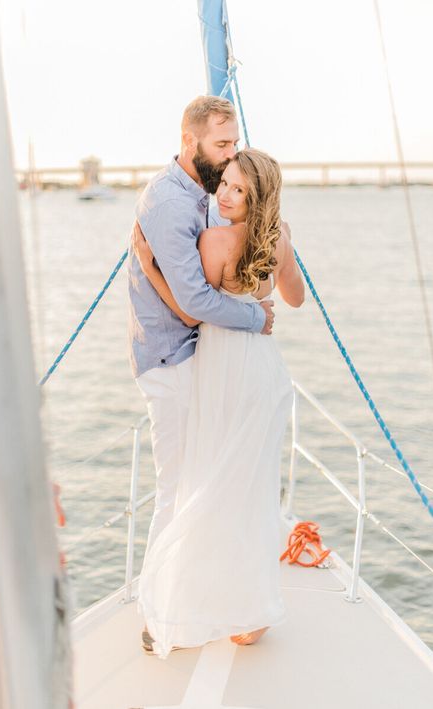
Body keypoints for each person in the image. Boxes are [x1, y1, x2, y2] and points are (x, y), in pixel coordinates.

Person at [132, 148, 305, 658]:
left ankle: (196, 596)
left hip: (222, 372)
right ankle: (252, 612)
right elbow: (294, 299)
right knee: (250, 490)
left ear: (256, 196)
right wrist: (282, 253)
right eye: (224, 183)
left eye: (237, 189)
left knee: (208, 482)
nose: (224, 194)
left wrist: (148, 265)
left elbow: (190, 313)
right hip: (264, 373)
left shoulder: (213, 239)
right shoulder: (279, 242)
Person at [128, 96, 274, 562]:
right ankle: (157, 614)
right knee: (175, 487)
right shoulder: (170, 202)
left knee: (203, 482)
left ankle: (194, 585)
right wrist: (257, 317)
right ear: (190, 140)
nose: (232, 153)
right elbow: (192, 304)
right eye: (222, 143)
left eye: (235, 142)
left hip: (198, 356)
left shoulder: (206, 192)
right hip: (171, 360)